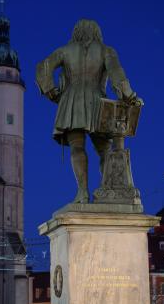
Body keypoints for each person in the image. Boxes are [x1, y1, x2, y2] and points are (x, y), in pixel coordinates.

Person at [35, 19, 142, 204]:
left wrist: (51, 92)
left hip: (71, 102)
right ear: (97, 33)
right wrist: (130, 96)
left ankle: (82, 192)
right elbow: (118, 75)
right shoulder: (106, 50)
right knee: (105, 150)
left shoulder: (65, 50)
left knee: (77, 146)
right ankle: (107, 190)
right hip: (98, 103)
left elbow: (43, 67)